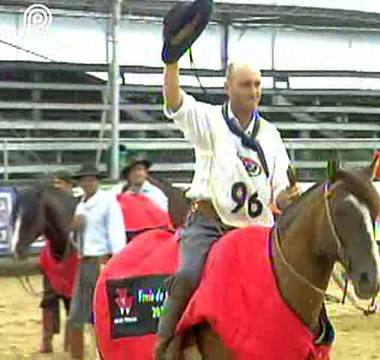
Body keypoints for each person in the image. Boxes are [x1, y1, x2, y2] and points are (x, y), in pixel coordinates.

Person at [156, 60, 299, 357]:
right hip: (208, 225)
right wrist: (171, 62)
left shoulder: (271, 135)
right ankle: (166, 347)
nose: (254, 91)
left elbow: (280, 192)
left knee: (293, 279)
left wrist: (288, 198)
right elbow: (175, 101)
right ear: (228, 88)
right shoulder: (208, 119)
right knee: (188, 275)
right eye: (246, 84)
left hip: (256, 232)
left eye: (258, 84)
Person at [68, 163, 126, 359]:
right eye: (84, 180)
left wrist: (115, 261)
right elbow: (74, 239)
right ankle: (78, 356)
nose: (88, 183)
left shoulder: (108, 202)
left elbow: (116, 233)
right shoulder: (80, 205)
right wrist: (74, 228)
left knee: (102, 315)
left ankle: (104, 355)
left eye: (91, 179)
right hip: (84, 261)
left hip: (101, 261)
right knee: (76, 315)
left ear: (97, 182)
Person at [38, 171, 75, 353]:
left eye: (59, 183)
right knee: (49, 298)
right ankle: (47, 340)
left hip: (73, 258)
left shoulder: (79, 206)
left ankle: (69, 342)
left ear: (69, 185)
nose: (57, 187)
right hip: (52, 259)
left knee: (72, 301)